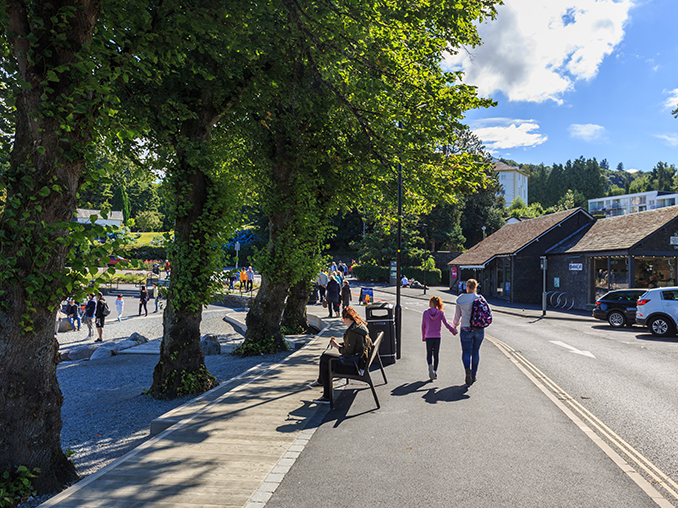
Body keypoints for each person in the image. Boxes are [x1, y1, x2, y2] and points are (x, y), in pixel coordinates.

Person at [309, 306, 373, 404]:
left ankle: (326, 396)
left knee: (325, 359)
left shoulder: (352, 332)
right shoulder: (360, 326)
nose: (343, 321)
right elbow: (354, 346)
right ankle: (321, 381)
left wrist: (336, 346)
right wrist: (342, 344)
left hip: (354, 366)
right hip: (360, 362)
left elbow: (346, 352)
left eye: (343, 319)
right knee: (326, 358)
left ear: (347, 318)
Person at [453, 278, 485, 386]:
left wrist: (454, 326)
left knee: (466, 352)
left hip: (466, 328)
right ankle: (474, 375)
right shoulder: (480, 298)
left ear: (467, 287)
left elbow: (457, 316)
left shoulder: (460, 299)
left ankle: (467, 370)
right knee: (476, 352)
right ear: (475, 287)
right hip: (478, 329)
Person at [421, 296, 456, 381]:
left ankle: (430, 365)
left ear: (431, 303)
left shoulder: (425, 313)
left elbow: (423, 326)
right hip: (437, 336)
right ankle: (435, 371)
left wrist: (424, 336)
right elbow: (446, 324)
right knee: (436, 355)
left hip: (429, 336)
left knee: (429, 353)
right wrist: (453, 330)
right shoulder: (440, 313)